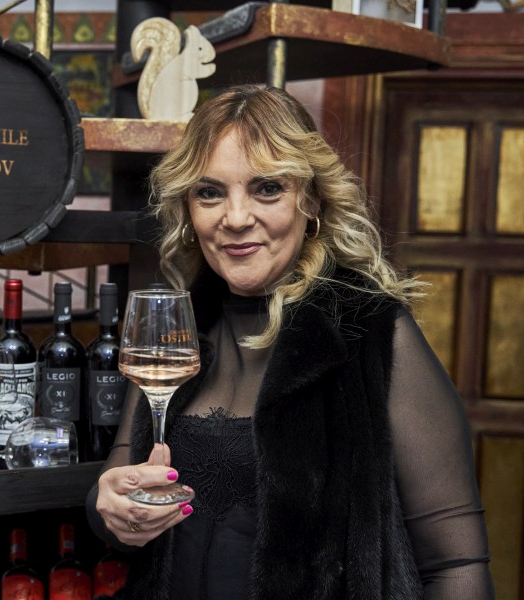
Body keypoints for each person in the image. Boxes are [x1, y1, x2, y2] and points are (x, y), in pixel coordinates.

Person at [85, 85, 494, 599]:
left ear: (312, 198)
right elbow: (116, 494)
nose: (236, 218)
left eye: (267, 188)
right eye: (209, 192)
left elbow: (457, 565)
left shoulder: (371, 333)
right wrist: (109, 507)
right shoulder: (178, 331)